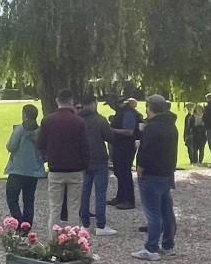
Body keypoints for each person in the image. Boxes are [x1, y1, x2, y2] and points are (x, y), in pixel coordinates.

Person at [132, 95, 178, 261]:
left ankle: (151, 247)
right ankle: (168, 244)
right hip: (166, 172)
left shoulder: (152, 128)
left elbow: (147, 150)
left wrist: (141, 166)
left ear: (150, 108)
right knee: (166, 211)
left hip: (151, 173)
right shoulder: (171, 126)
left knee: (153, 213)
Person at [36, 89, 89, 232]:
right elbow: (84, 147)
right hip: (75, 169)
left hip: (56, 168)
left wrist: (48, 157)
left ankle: (53, 241)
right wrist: (85, 165)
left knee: (55, 208)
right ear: (71, 102)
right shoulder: (79, 122)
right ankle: (73, 241)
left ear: (57, 101)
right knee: (73, 208)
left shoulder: (48, 120)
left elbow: (40, 144)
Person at [78, 96, 116, 236]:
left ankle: (85, 223)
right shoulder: (100, 120)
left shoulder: (78, 120)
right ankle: (101, 225)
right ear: (94, 104)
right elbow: (110, 137)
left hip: (83, 160)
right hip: (99, 159)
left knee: (84, 192)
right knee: (100, 193)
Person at [4, 104, 43, 229]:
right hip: (33, 171)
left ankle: (18, 222)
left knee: (12, 198)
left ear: (24, 115)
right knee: (29, 200)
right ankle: (27, 226)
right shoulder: (40, 131)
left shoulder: (20, 129)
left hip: (17, 170)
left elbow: (11, 146)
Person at [107, 99, 140, 210]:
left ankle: (129, 200)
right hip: (120, 146)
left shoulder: (128, 113)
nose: (111, 106)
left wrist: (112, 130)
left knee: (125, 172)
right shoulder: (123, 112)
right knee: (119, 172)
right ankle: (120, 197)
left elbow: (129, 131)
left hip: (126, 147)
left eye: (111, 103)